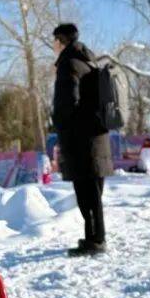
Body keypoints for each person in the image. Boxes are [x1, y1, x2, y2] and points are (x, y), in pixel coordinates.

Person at [51, 23, 112, 256]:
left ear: (60, 40)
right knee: (94, 191)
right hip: (97, 136)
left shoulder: (68, 64)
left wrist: (60, 128)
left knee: (86, 192)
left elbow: (67, 104)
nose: (53, 47)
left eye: (54, 42)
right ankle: (95, 237)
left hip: (81, 140)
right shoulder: (88, 60)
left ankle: (96, 240)